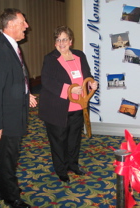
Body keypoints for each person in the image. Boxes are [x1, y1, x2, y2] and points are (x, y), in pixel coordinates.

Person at [0, 8, 37, 208]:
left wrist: (26, 95)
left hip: (13, 110)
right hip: (6, 117)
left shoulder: (9, 45)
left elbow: (12, 80)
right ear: (12, 24)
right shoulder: (0, 50)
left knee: (6, 156)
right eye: (23, 22)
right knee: (8, 157)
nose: (27, 26)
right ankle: (11, 197)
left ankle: (2, 189)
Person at [38, 26, 98, 183]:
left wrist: (91, 82)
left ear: (71, 41)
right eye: (58, 40)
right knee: (58, 140)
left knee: (74, 139)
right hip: (57, 108)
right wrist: (69, 90)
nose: (61, 43)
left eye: (64, 39)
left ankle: (73, 165)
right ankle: (61, 170)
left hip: (79, 106)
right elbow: (47, 81)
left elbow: (87, 74)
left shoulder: (79, 55)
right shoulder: (50, 58)